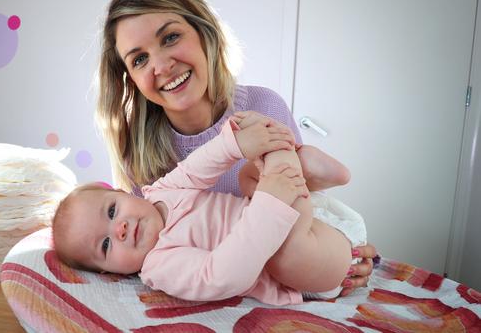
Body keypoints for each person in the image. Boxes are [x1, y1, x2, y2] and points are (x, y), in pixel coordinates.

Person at [94, 0, 375, 294]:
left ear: (204, 34)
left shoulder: (263, 108)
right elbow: (141, 252)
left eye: (171, 37)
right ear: (130, 79)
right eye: (139, 59)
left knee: (257, 178)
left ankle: (305, 164)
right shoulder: (138, 151)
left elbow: (306, 206)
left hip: (295, 233)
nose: (161, 65)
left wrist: (344, 256)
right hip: (249, 268)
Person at [52, 112, 366, 304]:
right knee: (283, 256)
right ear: (110, 272)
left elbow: (199, 166)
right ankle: (294, 163)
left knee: (247, 175)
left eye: (111, 212)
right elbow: (220, 276)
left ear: (124, 193)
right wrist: (269, 205)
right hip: (305, 267)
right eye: (105, 244)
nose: (118, 229)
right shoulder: (159, 266)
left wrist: (237, 144)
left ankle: (304, 169)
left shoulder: (160, 190)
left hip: (306, 216)